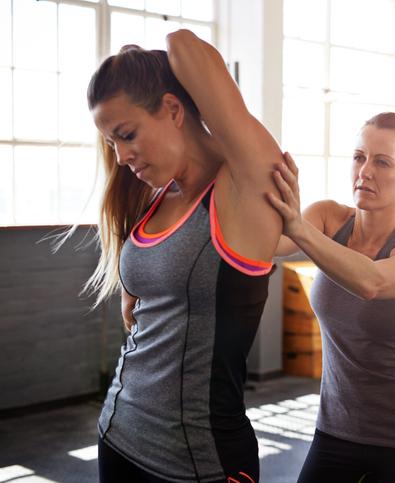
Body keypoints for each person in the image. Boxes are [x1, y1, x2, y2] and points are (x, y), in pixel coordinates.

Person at [86, 30, 282, 483]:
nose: (120, 156)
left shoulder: (242, 188)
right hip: (118, 431)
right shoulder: (160, 197)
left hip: (198, 461)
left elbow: (185, 46)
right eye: (112, 142)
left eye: (127, 134)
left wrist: (134, 56)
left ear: (173, 109)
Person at [269, 112, 395, 482]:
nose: (364, 171)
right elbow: (268, 243)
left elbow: (372, 283)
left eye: (382, 162)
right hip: (335, 432)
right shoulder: (326, 218)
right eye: (359, 157)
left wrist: (298, 230)